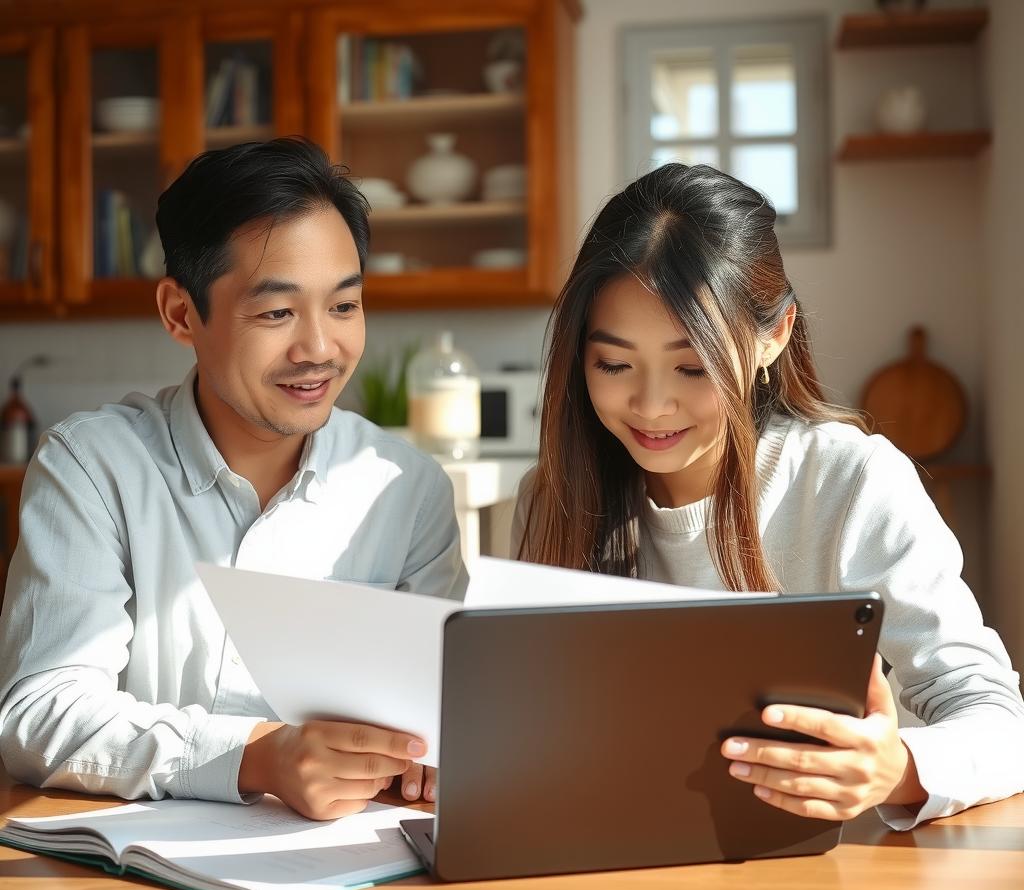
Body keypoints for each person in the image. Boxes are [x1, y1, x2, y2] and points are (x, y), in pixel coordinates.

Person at [513, 162, 1024, 830]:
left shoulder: (850, 480)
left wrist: (895, 770)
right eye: (614, 364)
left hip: (810, 869)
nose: (651, 405)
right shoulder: (552, 496)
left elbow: (996, 718)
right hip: (608, 855)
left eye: (693, 366)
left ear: (773, 336)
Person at [0, 138, 466, 819]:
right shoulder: (92, 467)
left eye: (344, 306)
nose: (319, 348)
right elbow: (40, 713)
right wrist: (258, 756)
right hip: (131, 868)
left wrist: (432, 751)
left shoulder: (408, 489)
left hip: (349, 863)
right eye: (277, 312)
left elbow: (443, 714)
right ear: (180, 313)